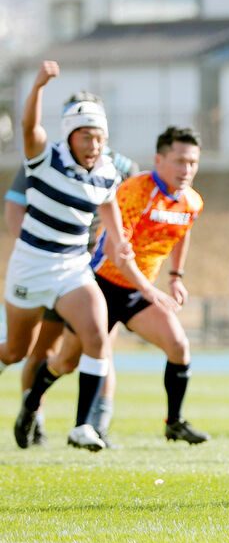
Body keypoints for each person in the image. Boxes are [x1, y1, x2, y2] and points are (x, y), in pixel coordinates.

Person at [17, 126, 209, 444]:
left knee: (179, 347)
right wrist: (150, 290)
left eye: (192, 162)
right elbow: (114, 251)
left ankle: (174, 423)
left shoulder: (192, 201)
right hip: (100, 287)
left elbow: (182, 231)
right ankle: (30, 407)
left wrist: (176, 277)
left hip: (138, 291)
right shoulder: (134, 191)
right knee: (66, 361)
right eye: (179, 161)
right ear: (159, 159)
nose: (186, 169)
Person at [2, 61, 133, 451]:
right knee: (16, 350)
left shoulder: (109, 171)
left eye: (99, 138)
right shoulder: (45, 158)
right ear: (70, 136)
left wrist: (120, 240)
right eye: (86, 137)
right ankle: (33, 408)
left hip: (73, 267)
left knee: (96, 337)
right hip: (31, 264)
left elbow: (110, 208)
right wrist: (39, 85)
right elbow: (29, 128)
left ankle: (82, 427)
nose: (93, 145)